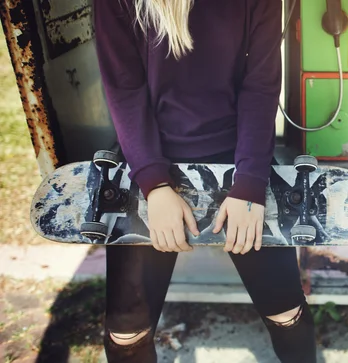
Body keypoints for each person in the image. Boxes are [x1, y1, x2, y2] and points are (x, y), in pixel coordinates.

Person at [92, 0, 316, 362]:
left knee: (286, 313)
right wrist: (155, 183)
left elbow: (260, 84)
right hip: (150, 157)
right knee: (126, 332)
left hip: (238, 156)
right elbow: (124, 88)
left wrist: (249, 184)